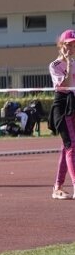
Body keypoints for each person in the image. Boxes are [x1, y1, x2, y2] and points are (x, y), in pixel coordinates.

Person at [49, 29, 75, 199]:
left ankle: (57, 187)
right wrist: (68, 63)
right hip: (62, 105)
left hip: (74, 104)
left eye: (74, 44)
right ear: (61, 45)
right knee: (71, 146)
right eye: (69, 44)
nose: (72, 47)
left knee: (65, 148)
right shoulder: (55, 65)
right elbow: (63, 86)